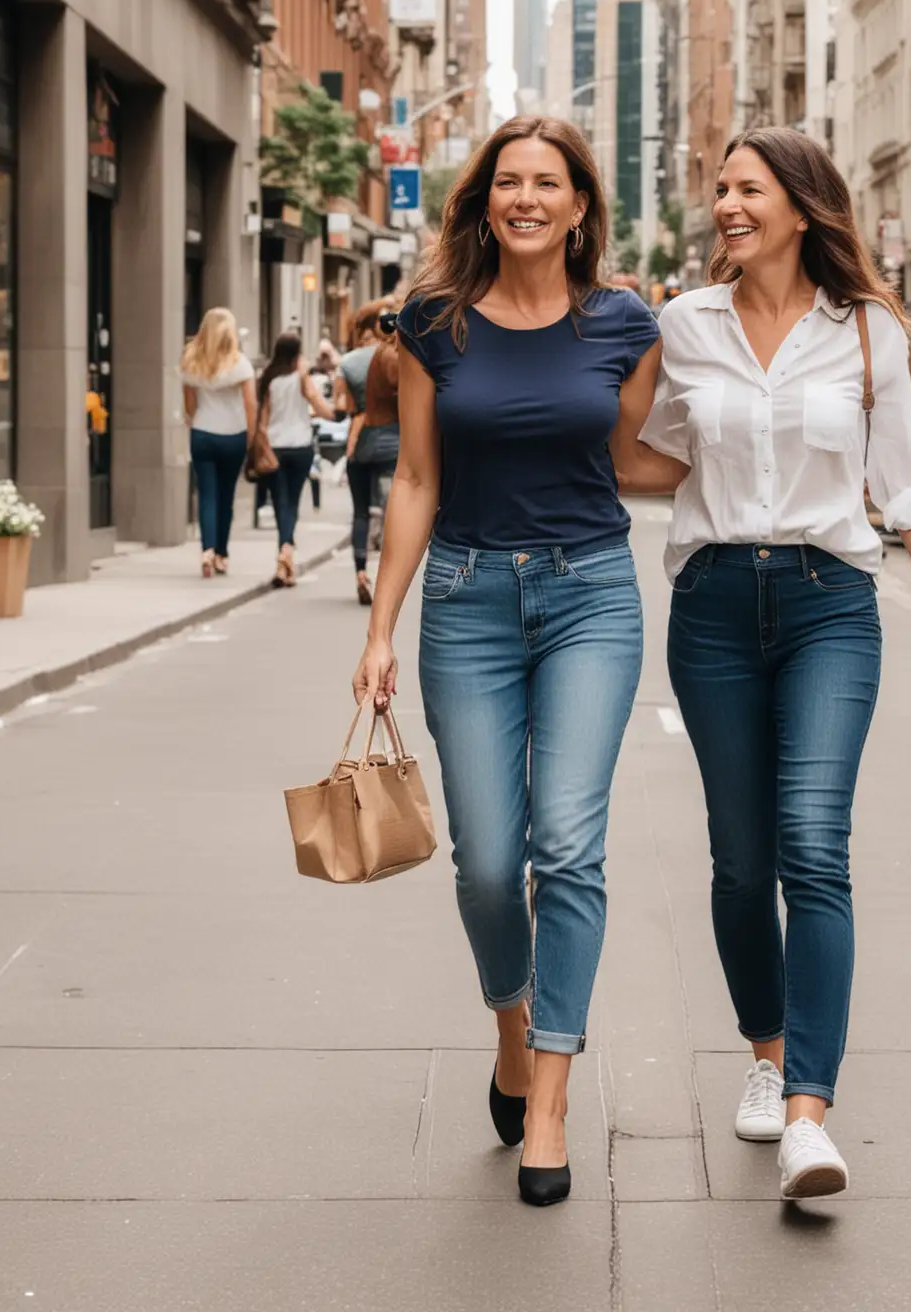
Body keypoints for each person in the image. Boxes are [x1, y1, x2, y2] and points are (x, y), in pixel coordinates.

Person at [623, 128, 911, 1201]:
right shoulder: (684, 325)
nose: (727, 204)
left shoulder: (869, 332)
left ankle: (807, 1116)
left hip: (832, 602)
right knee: (741, 858)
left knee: (812, 845)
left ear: (801, 204)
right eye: (721, 189)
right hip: (712, 608)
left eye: (748, 188)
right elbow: (639, 455)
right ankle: (764, 1051)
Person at [351, 116, 663, 1208]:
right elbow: (418, 480)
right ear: (485, 201)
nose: (527, 198)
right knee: (488, 859)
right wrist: (381, 625)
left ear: (582, 205)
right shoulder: (433, 325)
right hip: (467, 598)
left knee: (567, 845)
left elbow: (630, 458)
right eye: (508, 182)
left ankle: (549, 1103)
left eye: (549, 182)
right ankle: (513, 1027)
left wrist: (770, 458)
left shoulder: (626, 323)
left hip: (590, 595)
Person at [180, 307, 256, 579]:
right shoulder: (240, 363)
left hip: (202, 432)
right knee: (226, 496)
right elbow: (250, 402)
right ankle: (222, 555)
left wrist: (196, 418)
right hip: (233, 434)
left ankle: (207, 550)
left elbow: (189, 403)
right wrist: (252, 434)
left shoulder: (191, 361)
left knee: (207, 495)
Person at [258, 329, 336, 587]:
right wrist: (338, 415)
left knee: (281, 503)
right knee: (292, 502)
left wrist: (263, 446)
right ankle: (286, 552)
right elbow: (318, 403)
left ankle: (284, 552)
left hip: (276, 447)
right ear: (295, 354)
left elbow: (262, 421)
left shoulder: (269, 379)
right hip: (301, 446)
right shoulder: (300, 377)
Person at [340, 299, 402, 605]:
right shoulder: (397, 359)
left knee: (361, 511)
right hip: (393, 443)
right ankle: (383, 576)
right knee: (394, 514)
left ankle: (361, 570)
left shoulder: (356, 362)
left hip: (364, 441)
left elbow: (349, 408)